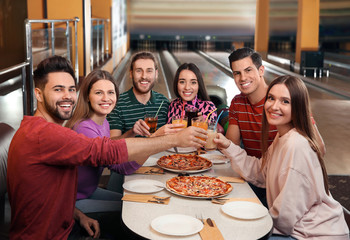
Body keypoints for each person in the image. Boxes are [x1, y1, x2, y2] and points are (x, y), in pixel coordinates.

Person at [6, 55, 207, 239]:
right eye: (58, 89)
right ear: (38, 94)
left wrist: (77, 215)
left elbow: (56, 193)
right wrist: (172, 139)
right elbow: (107, 151)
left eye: (71, 89)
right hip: (51, 235)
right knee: (137, 214)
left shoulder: (40, 129)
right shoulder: (47, 134)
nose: (67, 96)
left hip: (66, 217)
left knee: (138, 203)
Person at [215, 75, 349, 240]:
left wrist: (247, 222)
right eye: (271, 98)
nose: (274, 106)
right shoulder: (283, 137)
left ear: (298, 107)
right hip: (299, 229)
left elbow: (284, 218)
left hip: (314, 235)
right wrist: (227, 146)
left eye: (285, 101)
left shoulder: (295, 145)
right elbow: (260, 171)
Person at [225, 47, 326, 206]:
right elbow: (231, 145)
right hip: (256, 173)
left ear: (261, 70)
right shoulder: (237, 103)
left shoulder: (283, 100)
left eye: (248, 70)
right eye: (237, 73)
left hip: (285, 182)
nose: (243, 77)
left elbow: (319, 148)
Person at [65, 69, 140, 214]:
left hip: (90, 191)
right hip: (74, 202)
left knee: (131, 201)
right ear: (87, 96)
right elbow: (120, 167)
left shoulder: (103, 122)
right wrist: (157, 142)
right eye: (99, 93)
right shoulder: (83, 128)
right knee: (132, 209)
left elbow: (111, 147)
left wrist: (131, 133)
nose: (106, 98)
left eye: (110, 92)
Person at [107, 51, 170, 138]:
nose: (144, 76)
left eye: (149, 71)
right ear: (131, 74)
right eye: (139, 71)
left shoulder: (164, 103)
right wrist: (132, 132)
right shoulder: (118, 104)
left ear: (156, 74)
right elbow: (112, 145)